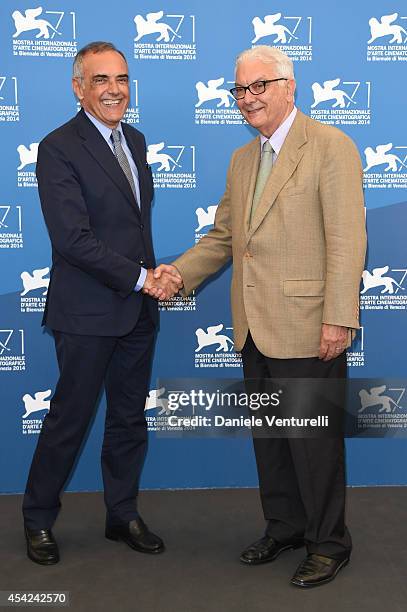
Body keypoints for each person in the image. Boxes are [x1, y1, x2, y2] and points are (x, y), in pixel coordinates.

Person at [151, 46, 366, 587]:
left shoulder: (330, 147)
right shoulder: (243, 160)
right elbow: (225, 237)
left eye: (259, 87)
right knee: (270, 441)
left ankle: (329, 542)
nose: (248, 99)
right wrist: (179, 274)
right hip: (253, 325)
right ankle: (286, 526)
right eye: (240, 90)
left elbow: (347, 241)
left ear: (289, 86)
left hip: (309, 325)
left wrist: (338, 317)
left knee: (313, 446)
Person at [22, 41, 181, 565]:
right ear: (78, 87)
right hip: (88, 312)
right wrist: (142, 280)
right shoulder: (58, 147)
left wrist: (150, 282)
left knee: (129, 420)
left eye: (121, 79)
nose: (114, 89)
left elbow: (135, 226)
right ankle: (38, 519)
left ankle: (122, 513)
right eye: (100, 80)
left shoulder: (134, 140)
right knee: (69, 419)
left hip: (137, 312)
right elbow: (73, 239)